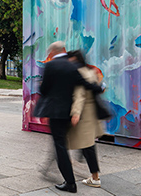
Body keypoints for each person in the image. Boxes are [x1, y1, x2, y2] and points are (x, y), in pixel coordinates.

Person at [34, 41, 103, 193]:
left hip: (55, 112)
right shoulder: (73, 65)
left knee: (59, 145)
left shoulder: (51, 65)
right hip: (68, 112)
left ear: (53, 52)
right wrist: (99, 88)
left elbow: (44, 89)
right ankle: (73, 174)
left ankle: (70, 182)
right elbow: (84, 84)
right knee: (63, 144)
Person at [66, 50, 104, 188]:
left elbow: (80, 95)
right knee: (86, 145)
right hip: (91, 114)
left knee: (87, 146)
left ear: (74, 59)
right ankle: (92, 175)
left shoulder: (79, 73)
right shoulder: (90, 71)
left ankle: (95, 178)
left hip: (83, 116)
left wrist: (75, 113)